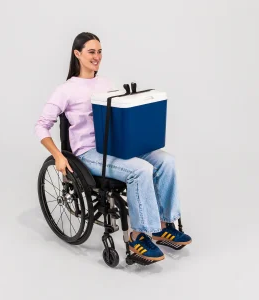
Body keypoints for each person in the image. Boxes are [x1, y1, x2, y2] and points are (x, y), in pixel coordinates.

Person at [35, 32, 192, 262]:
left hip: (115, 145)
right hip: (88, 153)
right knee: (141, 170)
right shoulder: (65, 90)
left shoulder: (106, 83)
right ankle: (137, 237)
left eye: (99, 52)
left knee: (166, 160)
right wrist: (58, 156)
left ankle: (163, 225)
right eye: (91, 52)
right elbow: (41, 126)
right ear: (77, 54)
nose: (96, 56)